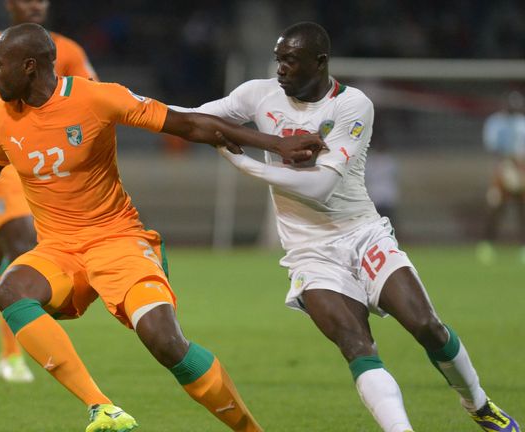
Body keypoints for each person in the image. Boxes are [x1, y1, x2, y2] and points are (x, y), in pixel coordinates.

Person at [0, 23, 322, 432]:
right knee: (10, 289)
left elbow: (189, 123)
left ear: (29, 66)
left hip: (118, 241)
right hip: (59, 251)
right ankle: (101, 408)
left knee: (166, 343)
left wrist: (277, 144)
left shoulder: (96, 98)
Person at [174, 22, 521, 432]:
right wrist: (124, 103)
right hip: (309, 251)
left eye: (289, 60)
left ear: (319, 62)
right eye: (278, 59)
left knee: (426, 326)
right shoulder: (258, 95)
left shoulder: (352, 105)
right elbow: (189, 117)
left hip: (362, 234)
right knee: (356, 344)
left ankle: (478, 404)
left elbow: (320, 186)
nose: (280, 68)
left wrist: (242, 161)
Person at [0, 0, 98, 385]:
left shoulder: (68, 50)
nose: (36, 5)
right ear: (9, 5)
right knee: (24, 250)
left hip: (47, 165)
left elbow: (92, 90)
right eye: (27, 0)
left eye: (41, 0)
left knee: (0, 260)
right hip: (3, 164)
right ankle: (11, 357)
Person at [477, 90, 525, 265]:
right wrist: (506, 165)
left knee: (522, 207)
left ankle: (523, 246)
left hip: (521, 169)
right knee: (496, 206)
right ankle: (487, 244)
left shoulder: (522, 123)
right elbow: (492, 146)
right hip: (503, 168)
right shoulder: (496, 122)